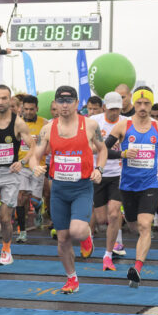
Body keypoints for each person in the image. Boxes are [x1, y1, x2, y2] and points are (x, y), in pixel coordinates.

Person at [29, 85, 106, 294]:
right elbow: (36, 153)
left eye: (69, 101)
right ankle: (72, 278)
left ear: (76, 102)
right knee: (62, 238)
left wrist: (99, 169)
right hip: (59, 189)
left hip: (81, 187)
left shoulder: (89, 125)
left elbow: (103, 149)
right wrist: (35, 165)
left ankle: (87, 235)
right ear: (55, 104)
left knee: (77, 231)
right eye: (61, 102)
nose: (64, 105)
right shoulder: (48, 128)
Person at [104, 88, 158, 287]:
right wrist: (122, 155)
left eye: (147, 104)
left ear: (151, 105)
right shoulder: (123, 126)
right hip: (127, 185)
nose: (142, 108)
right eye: (139, 103)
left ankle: (137, 268)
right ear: (134, 104)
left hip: (150, 183)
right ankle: (131, 226)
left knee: (144, 226)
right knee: (134, 226)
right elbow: (104, 150)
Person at [0, 85, 35, 266]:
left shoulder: (18, 123)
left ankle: (6, 250)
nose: (1, 102)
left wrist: (23, 162)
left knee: (6, 218)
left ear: (10, 100)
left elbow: (34, 147)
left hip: (10, 174)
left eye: (4, 98)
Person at [88, 92, 125, 270]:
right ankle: (112, 236)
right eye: (111, 109)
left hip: (119, 173)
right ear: (104, 108)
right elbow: (92, 149)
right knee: (102, 218)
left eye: (117, 108)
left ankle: (109, 252)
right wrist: (106, 150)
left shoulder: (126, 122)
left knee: (114, 213)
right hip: (99, 173)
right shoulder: (95, 122)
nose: (114, 112)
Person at [16, 95, 47, 243]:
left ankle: (38, 208)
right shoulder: (16, 122)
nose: (28, 112)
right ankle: (22, 232)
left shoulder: (44, 124)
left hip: (38, 166)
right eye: (26, 109)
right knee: (21, 197)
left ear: (37, 109)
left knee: (34, 200)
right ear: (22, 108)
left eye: (31, 109)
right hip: (21, 165)